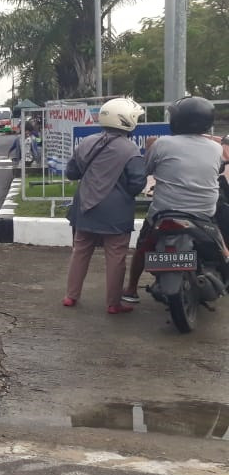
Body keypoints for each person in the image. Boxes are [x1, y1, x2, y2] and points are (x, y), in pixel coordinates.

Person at [123, 96, 227, 303]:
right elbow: (218, 168)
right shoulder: (215, 148)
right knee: (220, 242)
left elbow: (146, 169)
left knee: (143, 246)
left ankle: (131, 289)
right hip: (203, 214)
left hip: (163, 212)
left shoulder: (162, 144)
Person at [62, 98, 147, 314]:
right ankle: (113, 303)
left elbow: (71, 172)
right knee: (116, 256)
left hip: (85, 207)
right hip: (116, 212)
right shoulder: (131, 150)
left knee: (80, 250)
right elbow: (138, 182)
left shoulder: (87, 142)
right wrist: (123, 194)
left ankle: (71, 296)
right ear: (128, 121)